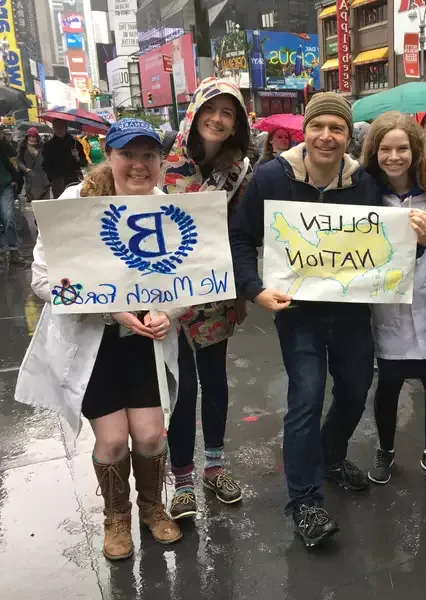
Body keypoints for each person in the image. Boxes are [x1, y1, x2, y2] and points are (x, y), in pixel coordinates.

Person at [229, 93, 426, 547]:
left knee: (355, 390)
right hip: (297, 313)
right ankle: (304, 501)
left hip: (349, 311)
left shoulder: (364, 183)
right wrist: (255, 288)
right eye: (318, 126)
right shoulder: (270, 177)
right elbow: (241, 238)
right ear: (306, 130)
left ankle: (331, 454)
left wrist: (419, 242)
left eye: (337, 128)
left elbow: (387, 244)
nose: (327, 136)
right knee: (305, 396)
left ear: (348, 136)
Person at [15, 118, 184, 561]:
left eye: (148, 155)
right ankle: (116, 516)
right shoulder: (74, 204)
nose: (138, 165)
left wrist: (168, 312)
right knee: (110, 442)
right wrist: (110, 307)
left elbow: (190, 282)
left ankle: (152, 506)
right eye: (128, 154)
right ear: (108, 156)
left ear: (159, 161)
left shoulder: (170, 209)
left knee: (149, 436)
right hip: (93, 344)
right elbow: (43, 280)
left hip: (144, 343)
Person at [161, 77, 252, 520]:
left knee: (214, 379)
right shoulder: (163, 163)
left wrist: (240, 294)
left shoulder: (240, 171)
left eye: (228, 112)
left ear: (237, 123)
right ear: (195, 112)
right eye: (210, 109)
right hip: (167, 294)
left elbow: (240, 236)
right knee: (182, 386)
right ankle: (181, 479)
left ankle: (215, 466)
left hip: (215, 293)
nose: (217, 119)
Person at [359, 111, 426, 487]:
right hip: (389, 306)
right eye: (386, 149)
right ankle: (385, 449)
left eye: (402, 148)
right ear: (374, 151)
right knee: (388, 384)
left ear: (416, 150)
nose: (394, 157)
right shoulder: (365, 191)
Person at [42, 118, 88, 197]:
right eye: (56, 127)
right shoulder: (48, 146)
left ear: (66, 127)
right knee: (61, 206)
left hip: (74, 179)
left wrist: (77, 157)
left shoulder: (75, 143)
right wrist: (53, 179)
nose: (58, 129)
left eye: (61, 126)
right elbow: (45, 165)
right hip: (58, 182)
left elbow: (84, 163)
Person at [0, 130, 23, 264]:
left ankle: (14, 250)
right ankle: (1, 252)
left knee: (8, 217)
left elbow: (13, 153)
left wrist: (2, 139)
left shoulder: (3, 145)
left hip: (5, 186)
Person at [17, 128, 50, 201]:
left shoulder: (42, 147)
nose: (31, 138)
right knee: (35, 207)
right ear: (27, 137)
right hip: (31, 180)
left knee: (45, 206)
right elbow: (19, 161)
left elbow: (48, 160)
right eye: (30, 136)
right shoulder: (23, 148)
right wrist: (25, 169)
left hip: (43, 180)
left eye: (33, 136)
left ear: (37, 137)